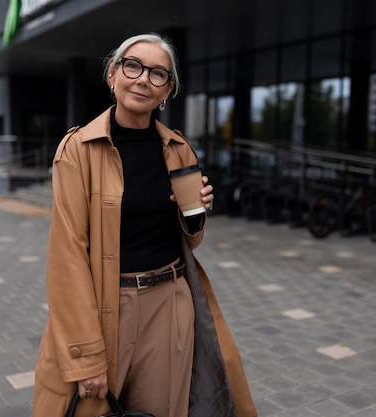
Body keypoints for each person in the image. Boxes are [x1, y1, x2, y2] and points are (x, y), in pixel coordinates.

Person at [32, 33, 257, 417]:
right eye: (133, 66)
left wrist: (196, 213)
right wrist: (86, 357)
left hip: (169, 303)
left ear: (167, 91)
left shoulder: (178, 148)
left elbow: (191, 238)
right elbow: (66, 256)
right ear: (113, 75)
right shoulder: (78, 149)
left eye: (158, 74)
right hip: (104, 305)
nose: (142, 79)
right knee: (91, 407)